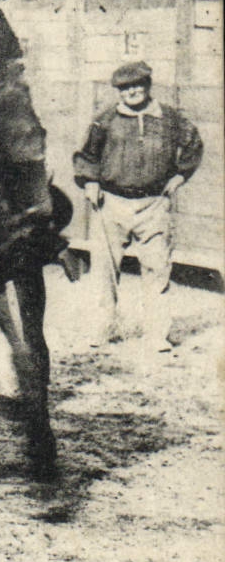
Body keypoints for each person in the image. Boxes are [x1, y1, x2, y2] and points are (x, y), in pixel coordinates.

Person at [72, 61, 204, 354]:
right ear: (118, 91)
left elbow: (194, 143)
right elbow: (87, 155)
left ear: (148, 86)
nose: (131, 92)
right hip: (111, 203)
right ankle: (100, 330)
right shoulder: (104, 119)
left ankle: (156, 335)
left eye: (137, 85)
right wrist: (90, 183)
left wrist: (181, 174)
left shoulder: (169, 118)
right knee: (104, 272)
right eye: (124, 88)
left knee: (157, 270)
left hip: (154, 204)